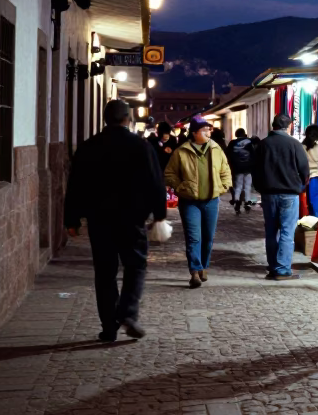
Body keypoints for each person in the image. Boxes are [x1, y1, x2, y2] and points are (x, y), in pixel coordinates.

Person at [64, 100, 167, 342]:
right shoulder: (140, 146)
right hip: (132, 219)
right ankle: (128, 314)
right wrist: (159, 214)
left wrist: (72, 218)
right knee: (136, 266)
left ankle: (109, 326)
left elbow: (75, 184)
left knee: (105, 272)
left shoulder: (89, 147)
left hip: (100, 220)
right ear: (127, 119)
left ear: (104, 119)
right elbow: (155, 182)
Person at [163, 115, 232, 288]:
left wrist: (223, 187)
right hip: (190, 201)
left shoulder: (216, 149)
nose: (208, 132)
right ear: (194, 133)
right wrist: (180, 188)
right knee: (194, 237)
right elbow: (169, 174)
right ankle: (194, 271)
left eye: (209, 129)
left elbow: (225, 171)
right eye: (204, 130)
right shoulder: (181, 152)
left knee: (208, 237)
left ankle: (203, 266)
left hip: (211, 200)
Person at [254, 114, 311, 280]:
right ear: (289, 126)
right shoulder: (294, 144)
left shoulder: (263, 144)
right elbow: (305, 171)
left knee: (271, 231)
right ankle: (283, 269)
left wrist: (260, 188)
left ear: (273, 126)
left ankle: (273, 267)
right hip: (289, 193)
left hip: (268, 194)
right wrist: (299, 186)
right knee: (287, 231)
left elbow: (255, 170)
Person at [225, 128, 257, 213]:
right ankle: (247, 201)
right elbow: (254, 153)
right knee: (247, 185)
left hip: (237, 168)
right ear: (244, 134)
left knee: (238, 185)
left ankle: (236, 199)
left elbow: (228, 155)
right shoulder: (249, 142)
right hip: (248, 167)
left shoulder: (232, 143)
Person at [303, 124, 318, 216]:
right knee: (317, 203)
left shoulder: (301, 147)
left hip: (307, 178)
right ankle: (317, 223)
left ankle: (312, 222)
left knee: (310, 203)